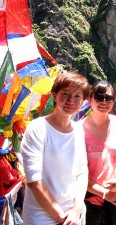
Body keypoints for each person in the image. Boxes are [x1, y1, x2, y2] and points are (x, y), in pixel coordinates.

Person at [21, 71, 90, 225]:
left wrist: (76, 209)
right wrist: (62, 218)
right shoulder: (38, 129)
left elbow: (81, 172)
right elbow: (34, 181)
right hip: (41, 217)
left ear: (83, 100)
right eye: (65, 94)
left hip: (73, 215)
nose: (70, 100)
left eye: (77, 96)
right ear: (55, 95)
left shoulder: (78, 130)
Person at [82, 80, 116, 225]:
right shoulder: (78, 130)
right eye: (99, 97)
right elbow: (76, 172)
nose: (104, 101)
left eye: (109, 98)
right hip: (90, 200)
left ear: (114, 101)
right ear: (89, 99)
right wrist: (104, 193)